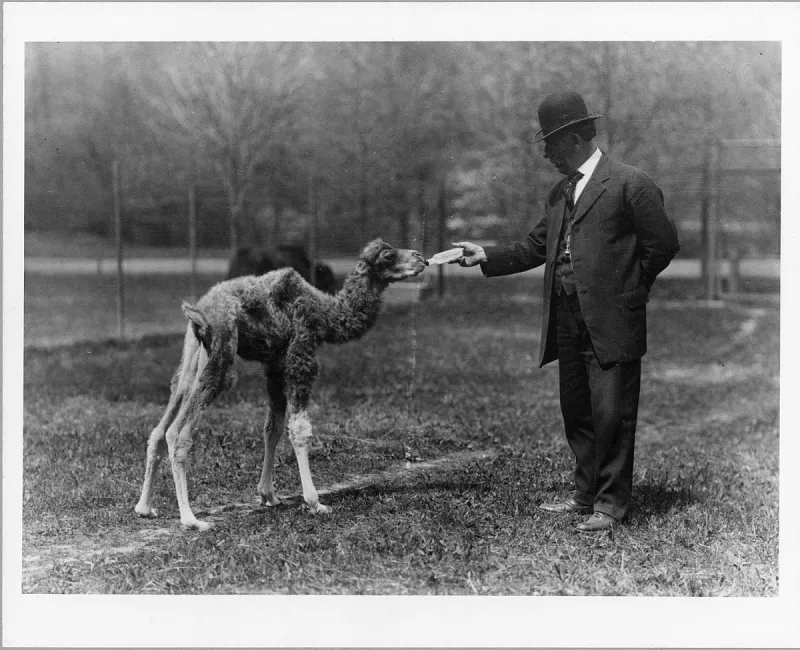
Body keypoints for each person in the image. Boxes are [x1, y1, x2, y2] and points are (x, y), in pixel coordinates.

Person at [454, 91, 680, 532]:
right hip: (568, 320)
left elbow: (662, 245)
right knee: (577, 411)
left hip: (612, 319)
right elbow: (536, 247)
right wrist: (486, 255)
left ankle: (611, 506)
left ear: (575, 138)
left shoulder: (631, 183)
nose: (545, 153)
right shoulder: (560, 193)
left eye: (551, 143)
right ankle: (586, 495)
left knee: (612, 412)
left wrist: (628, 289)